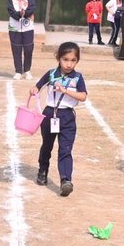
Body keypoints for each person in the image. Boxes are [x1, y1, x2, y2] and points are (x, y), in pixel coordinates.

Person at [31, 41, 88, 197]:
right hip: (50, 114)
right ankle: (43, 170)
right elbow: (38, 86)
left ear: (77, 61)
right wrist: (34, 89)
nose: (69, 64)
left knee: (65, 149)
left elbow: (83, 96)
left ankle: (65, 180)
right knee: (47, 145)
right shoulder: (51, 74)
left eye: (73, 60)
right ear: (58, 58)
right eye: (65, 59)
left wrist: (66, 91)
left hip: (67, 117)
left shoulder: (77, 77)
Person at [7, 0, 36, 79]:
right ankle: (18, 71)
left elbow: (32, 8)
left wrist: (25, 13)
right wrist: (19, 14)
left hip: (28, 27)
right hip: (14, 28)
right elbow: (10, 10)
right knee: (16, 50)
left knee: (28, 49)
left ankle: (27, 70)